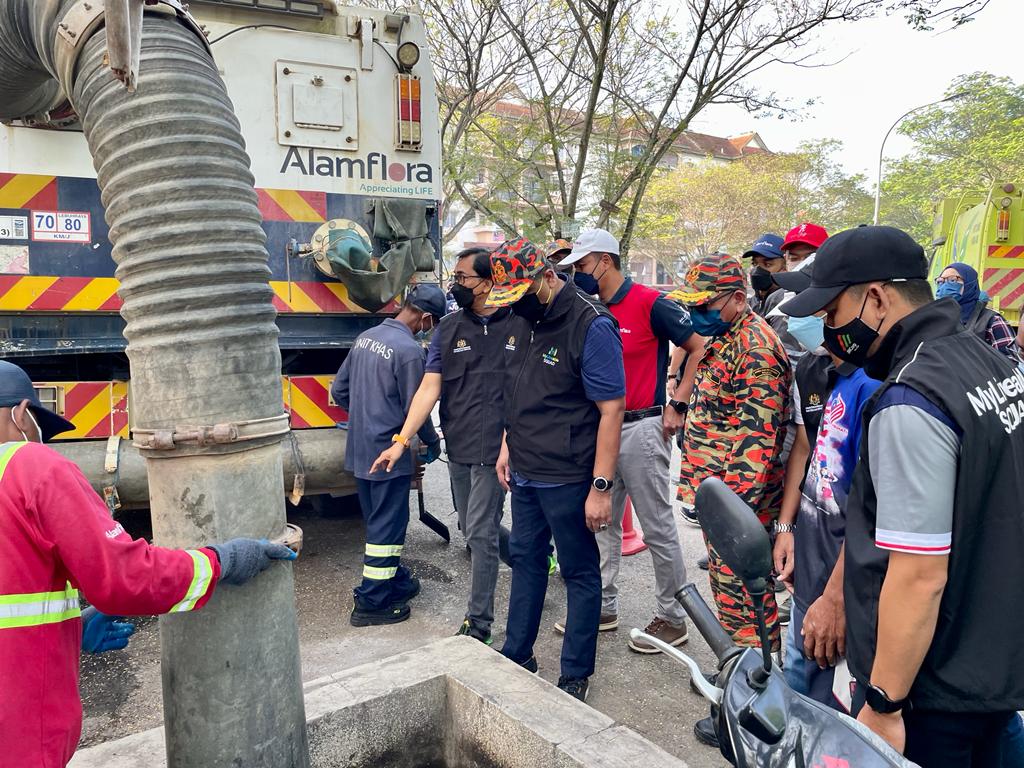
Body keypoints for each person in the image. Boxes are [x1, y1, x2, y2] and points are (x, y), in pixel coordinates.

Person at [780, 225, 1024, 766]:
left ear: (875, 296)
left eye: (831, 314)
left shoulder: (910, 398)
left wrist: (885, 703)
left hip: (932, 689)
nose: (826, 333)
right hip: (993, 662)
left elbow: (918, 572)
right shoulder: (987, 362)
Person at [0, 361, 295, 767]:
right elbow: (125, 577)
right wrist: (224, 561)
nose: (40, 442)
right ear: (20, 415)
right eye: (38, 430)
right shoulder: (29, 466)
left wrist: (70, 628)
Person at [487, 238, 625, 703]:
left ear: (547, 276)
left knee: (579, 572)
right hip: (525, 470)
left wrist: (601, 487)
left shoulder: (591, 325)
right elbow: (516, 392)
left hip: (568, 476)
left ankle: (574, 674)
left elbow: (611, 410)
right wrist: (507, 446)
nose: (514, 304)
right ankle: (517, 652)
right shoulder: (520, 316)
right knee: (525, 560)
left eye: (521, 292)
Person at [557, 228, 702, 653]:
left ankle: (673, 617)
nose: (577, 275)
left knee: (657, 527)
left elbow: (698, 346)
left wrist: (678, 399)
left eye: (581, 266)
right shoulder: (589, 307)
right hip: (601, 430)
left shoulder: (650, 303)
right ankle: (603, 606)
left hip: (641, 427)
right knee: (600, 522)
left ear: (605, 261)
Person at [669, 253, 790, 749]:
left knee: (750, 613)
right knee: (734, 607)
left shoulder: (756, 349)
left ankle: (754, 718)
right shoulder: (725, 337)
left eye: (706, 304)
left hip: (742, 514)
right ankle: (740, 694)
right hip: (722, 509)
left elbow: (755, 447)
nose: (696, 313)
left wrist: (726, 513)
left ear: (738, 299)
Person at [370, 248, 512, 644]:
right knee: (469, 526)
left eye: (464, 278)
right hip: (460, 444)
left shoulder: (518, 325)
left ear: (489, 281)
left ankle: (478, 622)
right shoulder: (448, 328)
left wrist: (511, 438)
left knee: (481, 533)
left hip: (497, 449)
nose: (457, 285)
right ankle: (529, 556)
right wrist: (401, 440)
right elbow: (429, 387)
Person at [773, 268, 882, 712]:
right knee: (799, 675)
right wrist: (788, 527)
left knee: (837, 706)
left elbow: (871, 507)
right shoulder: (814, 369)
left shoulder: (874, 385)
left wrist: (836, 594)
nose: (808, 319)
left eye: (820, 309)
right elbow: (809, 451)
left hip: (845, 578)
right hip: (811, 562)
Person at [331, 284, 446, 627]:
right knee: (388, 528)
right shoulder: (409, 351)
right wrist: (431, 442)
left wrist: (367, 418)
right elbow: (418, 407)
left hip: (361, 449)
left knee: (377, 520)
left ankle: (392, 579)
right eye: (433, 322)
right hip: (388, 454)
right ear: (425, 318)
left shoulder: (367, 337)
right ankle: (372, 602)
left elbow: (339, 390)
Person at [935, 262, 1021, 362]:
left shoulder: (992, 321)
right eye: (940, 281)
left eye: (952, 280)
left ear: (970, 284)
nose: (945, 286)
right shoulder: (936, 321)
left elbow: (1010, 364)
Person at [745, 233, 787, 317]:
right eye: (754, 263)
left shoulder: (787, 305)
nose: (757, 270)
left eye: (768, 264)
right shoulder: (747, 305)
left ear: (784, 267)